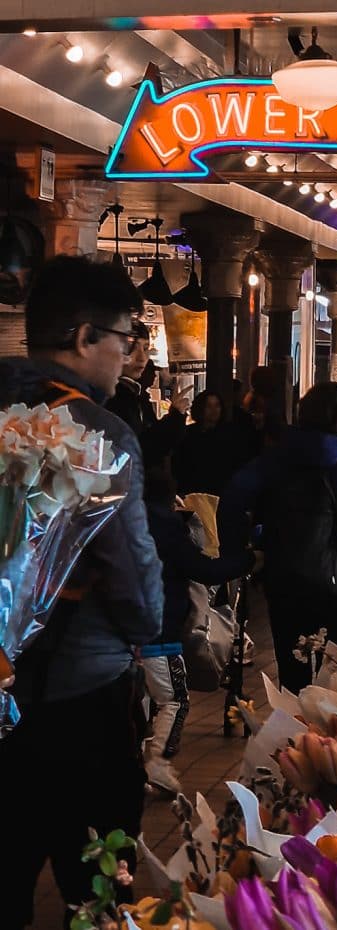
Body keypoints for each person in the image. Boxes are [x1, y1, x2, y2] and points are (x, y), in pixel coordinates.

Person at [0, 255, 163, 929]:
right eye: (124, 340)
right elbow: (133, 579)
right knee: (96, 882)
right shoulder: (96, 433)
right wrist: (144, 631)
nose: (126, 358)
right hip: (74, 690)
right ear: (83, 337)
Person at [219, 382, 337, 692]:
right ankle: (326, 736)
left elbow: (231, 501)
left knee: (292, 674)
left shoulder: (275, 459)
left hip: (284, 580)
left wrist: (241, 555)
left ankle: (293, 731)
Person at [141, 461, 255, 795]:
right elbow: (202, 569)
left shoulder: (126, 523)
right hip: (160, 629)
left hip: (128, 630)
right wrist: (247, 560)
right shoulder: (165, 527)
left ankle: (140, 763)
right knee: (174, 699)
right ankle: (157, 765)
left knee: (143, 700)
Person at [106, 320, 191, 463]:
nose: (142, 358)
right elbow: (139, 450)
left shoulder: (136, 395)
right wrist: (174, 417)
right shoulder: (110, 396)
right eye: (132, 347)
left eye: (145, 348)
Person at [172, 391, 254, 497]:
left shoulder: (229, 434)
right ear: (201, 408)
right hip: (193, 492)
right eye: (209, 406)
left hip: (221, 491)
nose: (214, 410)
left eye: (217, 405)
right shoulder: (188, 434)